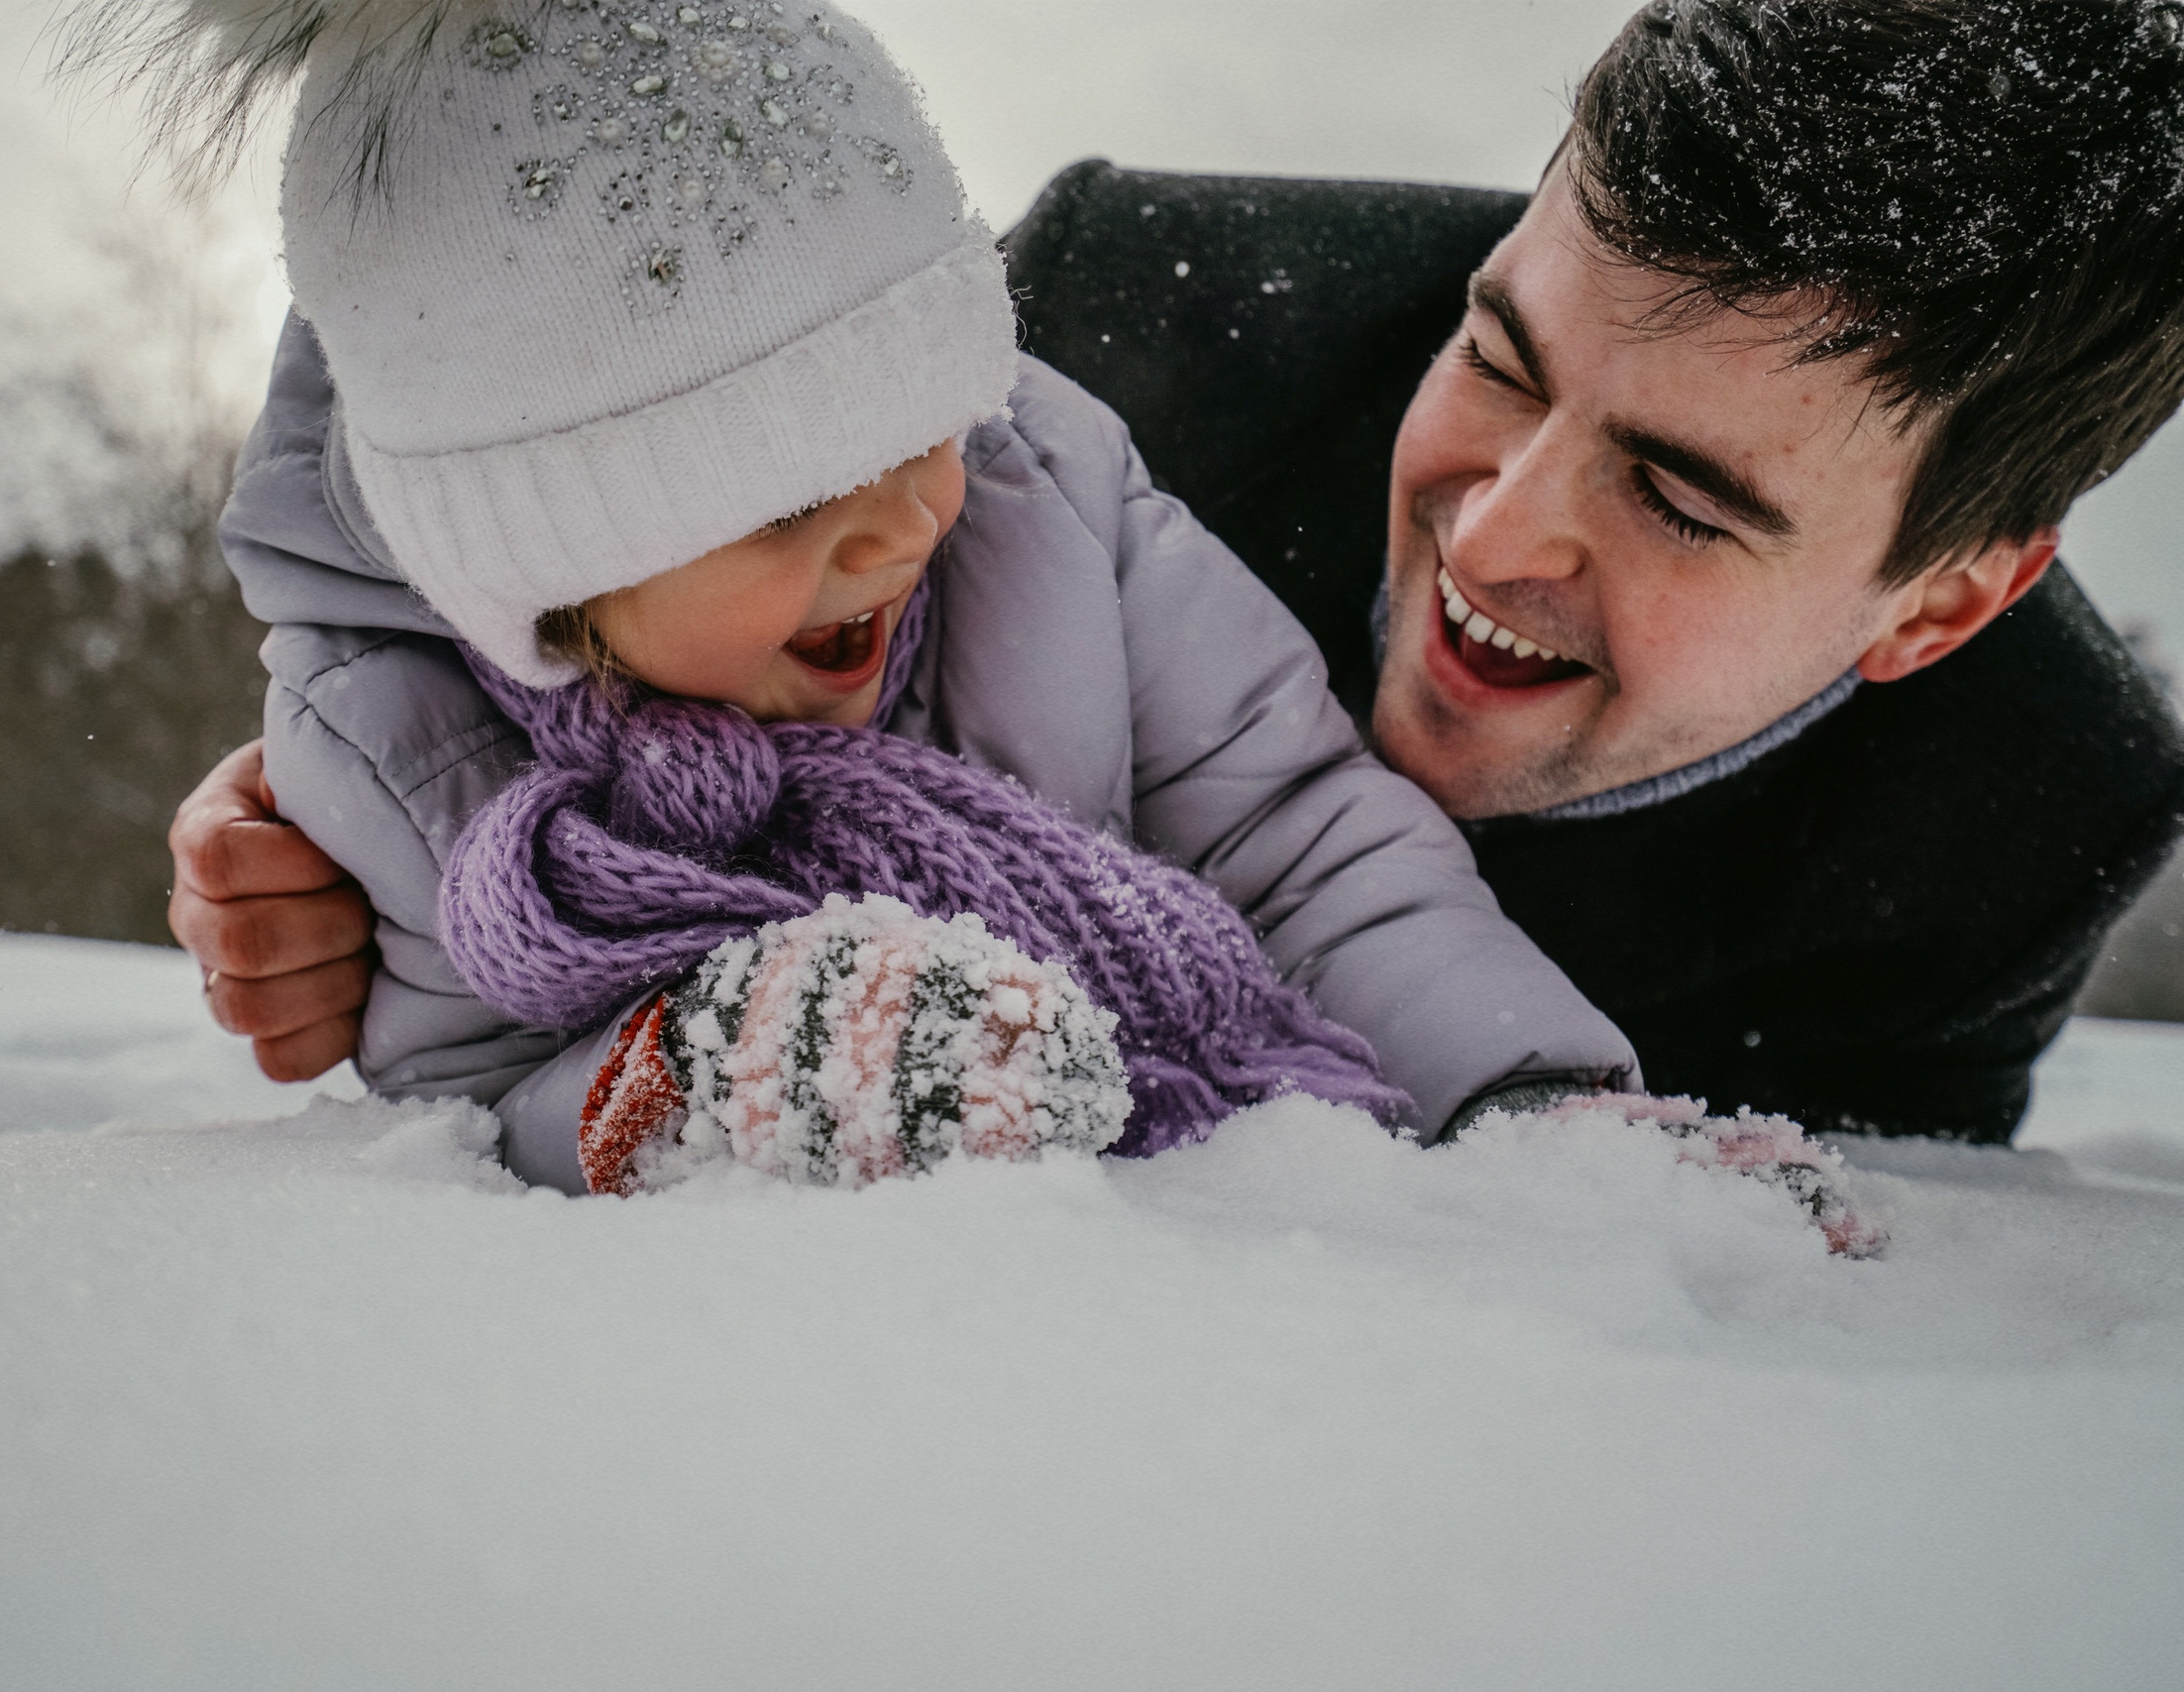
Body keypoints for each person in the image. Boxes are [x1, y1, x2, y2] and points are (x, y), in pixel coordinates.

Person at [176, 0, 2184, 1145]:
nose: (1490, 531)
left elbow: (1844, 1231)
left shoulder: (2018, 819)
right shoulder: (1130, 310)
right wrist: (369, 835)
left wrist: (1563, 1131)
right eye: (1497, 353)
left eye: (1679, 493)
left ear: (1937, 603)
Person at [112, 0, 1648, 1196]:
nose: (910, 520)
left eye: (927, 423)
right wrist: (692, 1074)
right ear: (549, 566)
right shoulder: (406, 749)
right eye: (788, 500)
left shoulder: (1046, 501)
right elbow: (480, 1090)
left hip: (1205, 1268)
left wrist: (1523, 1108)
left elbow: (1297, 836)